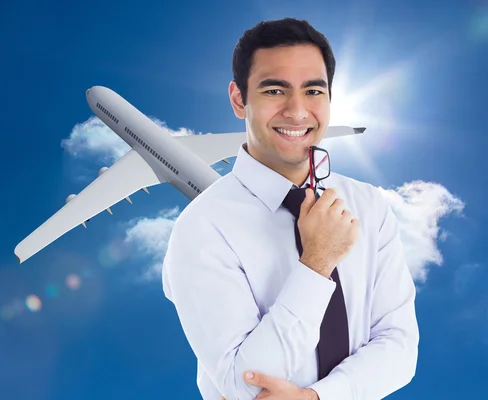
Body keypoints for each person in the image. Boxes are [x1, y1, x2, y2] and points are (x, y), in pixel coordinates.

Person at [161, 17, 419, 400]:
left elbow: (399, 348)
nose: (298, 111)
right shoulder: (203, 227)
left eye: (314, 90)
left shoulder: (368, 205)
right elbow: (242, 385)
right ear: (238, 100)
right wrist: (317, 261)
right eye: (274, 90)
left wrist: (317, 398)